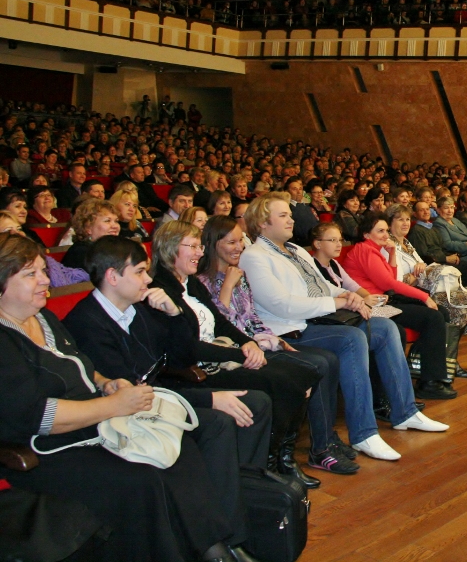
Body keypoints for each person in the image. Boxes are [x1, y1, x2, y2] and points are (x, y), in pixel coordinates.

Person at [0, 233, 245, 562]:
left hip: (93, 421)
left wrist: (105, 383)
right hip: (47, 448)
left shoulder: (42, 318)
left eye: (43, 270)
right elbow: (37, 417)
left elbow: (80, 367)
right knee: (142, 479)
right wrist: (111, 405)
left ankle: (214, 549)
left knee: (175, 445)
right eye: (30, 274)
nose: (45, 280)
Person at [63, 236, 272, 562]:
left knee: (255, 404)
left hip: (160, 396)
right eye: (141, 272)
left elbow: (181, 354)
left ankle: (243, 503)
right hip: (132, 412)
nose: (149, 280)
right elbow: (134, 393)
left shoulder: (138, 310)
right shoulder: (86, 323)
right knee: (217, 421)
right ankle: (226, 539)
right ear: (113, 277)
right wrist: (208, 400)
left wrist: (175, 314)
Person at [238, 193, 448, 461]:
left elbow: (323, 284)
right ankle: (364, 433)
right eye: (283, 215)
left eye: (290, 215)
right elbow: (282, 305)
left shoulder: (296, 250)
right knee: (352, 338)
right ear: (262, 223)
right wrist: (337, 303)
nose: (291, 219)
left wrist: (350, 296)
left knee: (385, 327)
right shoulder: (255, 256)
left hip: (317, 319)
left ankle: (405, 412)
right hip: (291, 330)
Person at [148, 220, 322, 486]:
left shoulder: (190, 283)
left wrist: (246, 343)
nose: (200, 252)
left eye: (199, 246)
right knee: (287, 383)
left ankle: (281, 459)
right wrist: (238, 354)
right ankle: (272, 463)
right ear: (170, 249)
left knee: (305, 372)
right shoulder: (161, 290)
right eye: (193, 247)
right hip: (199, 370)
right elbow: (185, 347)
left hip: (221, 356)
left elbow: (220, 321)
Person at [196, 216, 359, 475]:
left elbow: (252, 319)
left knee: (324, 361)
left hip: (258, 343)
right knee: (313, 365)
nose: (239, 247)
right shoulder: (202, 282)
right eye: (231, 242)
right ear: (213, 244)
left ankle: (316, 444)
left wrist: (276, 340)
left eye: (240, 240)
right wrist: (228, 286)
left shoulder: (239, 275)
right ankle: (291, 457)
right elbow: (218, 328)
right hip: (231, 353)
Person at [340, 212, 455, 396]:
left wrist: (392, 253)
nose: (386, 235)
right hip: (374, 306)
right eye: (380, 231)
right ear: (366, 234)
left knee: (440, 312)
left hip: (385, 299)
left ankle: (427, 371)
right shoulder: (364, 250)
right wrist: (424, 297)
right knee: (432, 316)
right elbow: (390, 284)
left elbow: (391, 278)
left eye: (386, 230)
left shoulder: (375, 250)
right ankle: (430, 382)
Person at [381, 205, 467, 371]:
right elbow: (396, 281)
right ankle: (450, 360)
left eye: (407, 219)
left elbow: (422, 266)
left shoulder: (407, 243)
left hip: (426, 287)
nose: (405, 223)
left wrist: (420, 267)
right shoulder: (387, 246)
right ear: (389, 223)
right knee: (462, 305)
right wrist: (417, 274)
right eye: (400, 219)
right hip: (409, 294)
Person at [62, 199, 121, 269]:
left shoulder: (115, 249)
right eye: (107, 221)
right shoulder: (81, 253)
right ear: (88, 227)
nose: (115, 226)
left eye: (116, 221)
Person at [433, 196, 467, 263]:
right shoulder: (439, 223)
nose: (450, 211)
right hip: (460, 257)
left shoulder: (455, 220)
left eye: (452, 207)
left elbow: (466, 236)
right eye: (446, 208)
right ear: (438, 210)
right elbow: (447, 244)